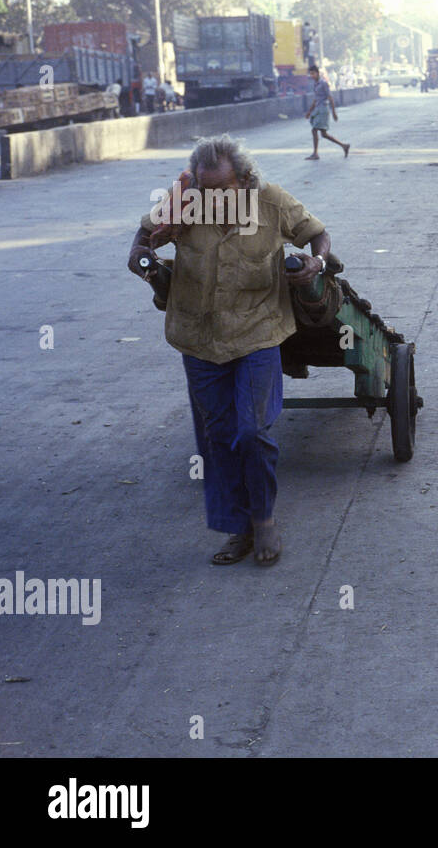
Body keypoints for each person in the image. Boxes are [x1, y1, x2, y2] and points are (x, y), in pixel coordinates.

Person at [125, 134, 332, 566]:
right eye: (205, 189)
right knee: (217, 437)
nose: (213, 198)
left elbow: (318, 235)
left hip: (258, 332)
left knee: (252, 432)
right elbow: (142, 239)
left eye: (223, 189)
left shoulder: (272, 201)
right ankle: (238, 528)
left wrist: (317, 262)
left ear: (246, 179)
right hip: (198, 336)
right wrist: (142, 254)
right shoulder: (183, 201)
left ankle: (264, 520)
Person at [304, 66, 350, 160]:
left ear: (317, 73)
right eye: (310, 74)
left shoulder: (323, 84)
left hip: (323, 109)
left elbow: (330, 98)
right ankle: (344, 146)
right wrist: (309, 111)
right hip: (318, 109)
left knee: (315, 130)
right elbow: (316, 99)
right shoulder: (316, 84)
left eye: (313, 73)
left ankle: (315, 153)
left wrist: (334, 112)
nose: (312, 76)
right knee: (324, 134)